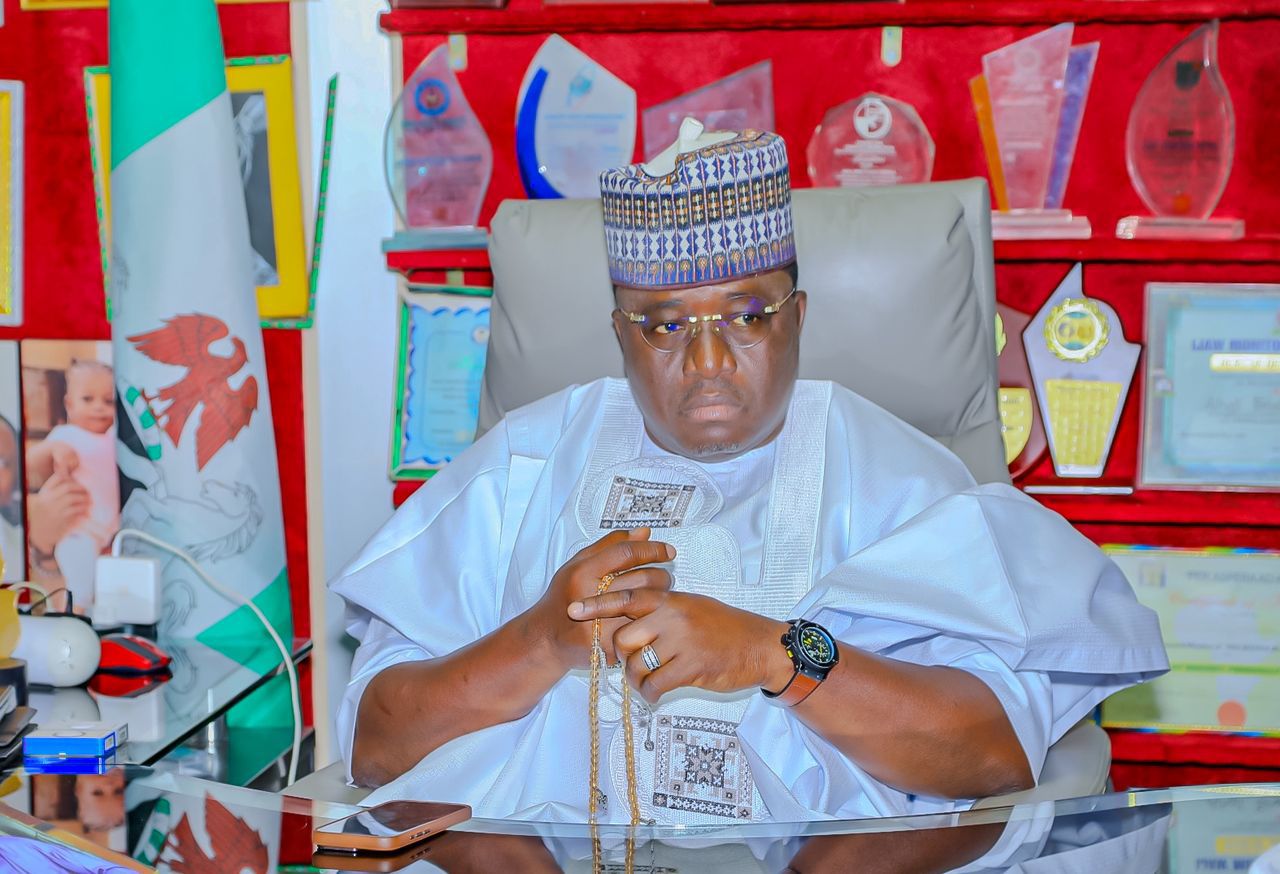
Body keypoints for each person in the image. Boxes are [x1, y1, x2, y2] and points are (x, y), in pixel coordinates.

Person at [332, 122, 1168, 824]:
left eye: (747, 317)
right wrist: (541, 640)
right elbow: (374, 746)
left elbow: (991, 754)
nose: (707, 362)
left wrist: (776, 654)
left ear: (798, 318)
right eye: (665, 326)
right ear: (620, 334)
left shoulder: (899, 478)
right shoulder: (524, 466)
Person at [26, 359, 119, 610]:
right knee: (78, 581)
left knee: (111, 584)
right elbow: (31, 461)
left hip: (113, 530)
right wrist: (54, 450)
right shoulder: (66, 435)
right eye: (88, 399)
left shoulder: (114, 438)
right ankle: (76, 611)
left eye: (108, 401)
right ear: (69, 404)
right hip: (79, 528)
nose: (99, 407)